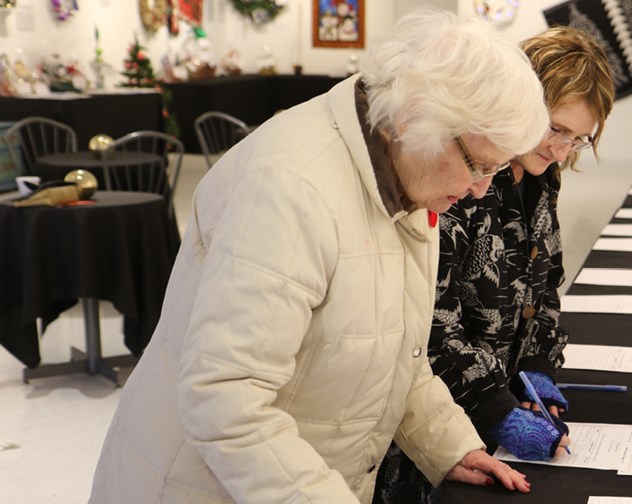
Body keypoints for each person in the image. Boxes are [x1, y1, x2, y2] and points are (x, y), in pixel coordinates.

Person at [88, 9, 549, 504]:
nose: (481, 190)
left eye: (496, 170)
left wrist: (450, 446)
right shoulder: (291, 190)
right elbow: (225, 401)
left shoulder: (409, 176)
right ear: (415, 119)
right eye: (479, 165)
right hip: (199, 486)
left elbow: (396, 351)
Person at [374, 26, 615, 503]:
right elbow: (430, 323)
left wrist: (537, 368)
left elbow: (544, 285)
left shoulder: (543, 178)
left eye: (578, 140)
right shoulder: (463, 179)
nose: (562, 151)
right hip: (435, 431)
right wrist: (496, 406)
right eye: (556, 129)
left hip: (492, 417)